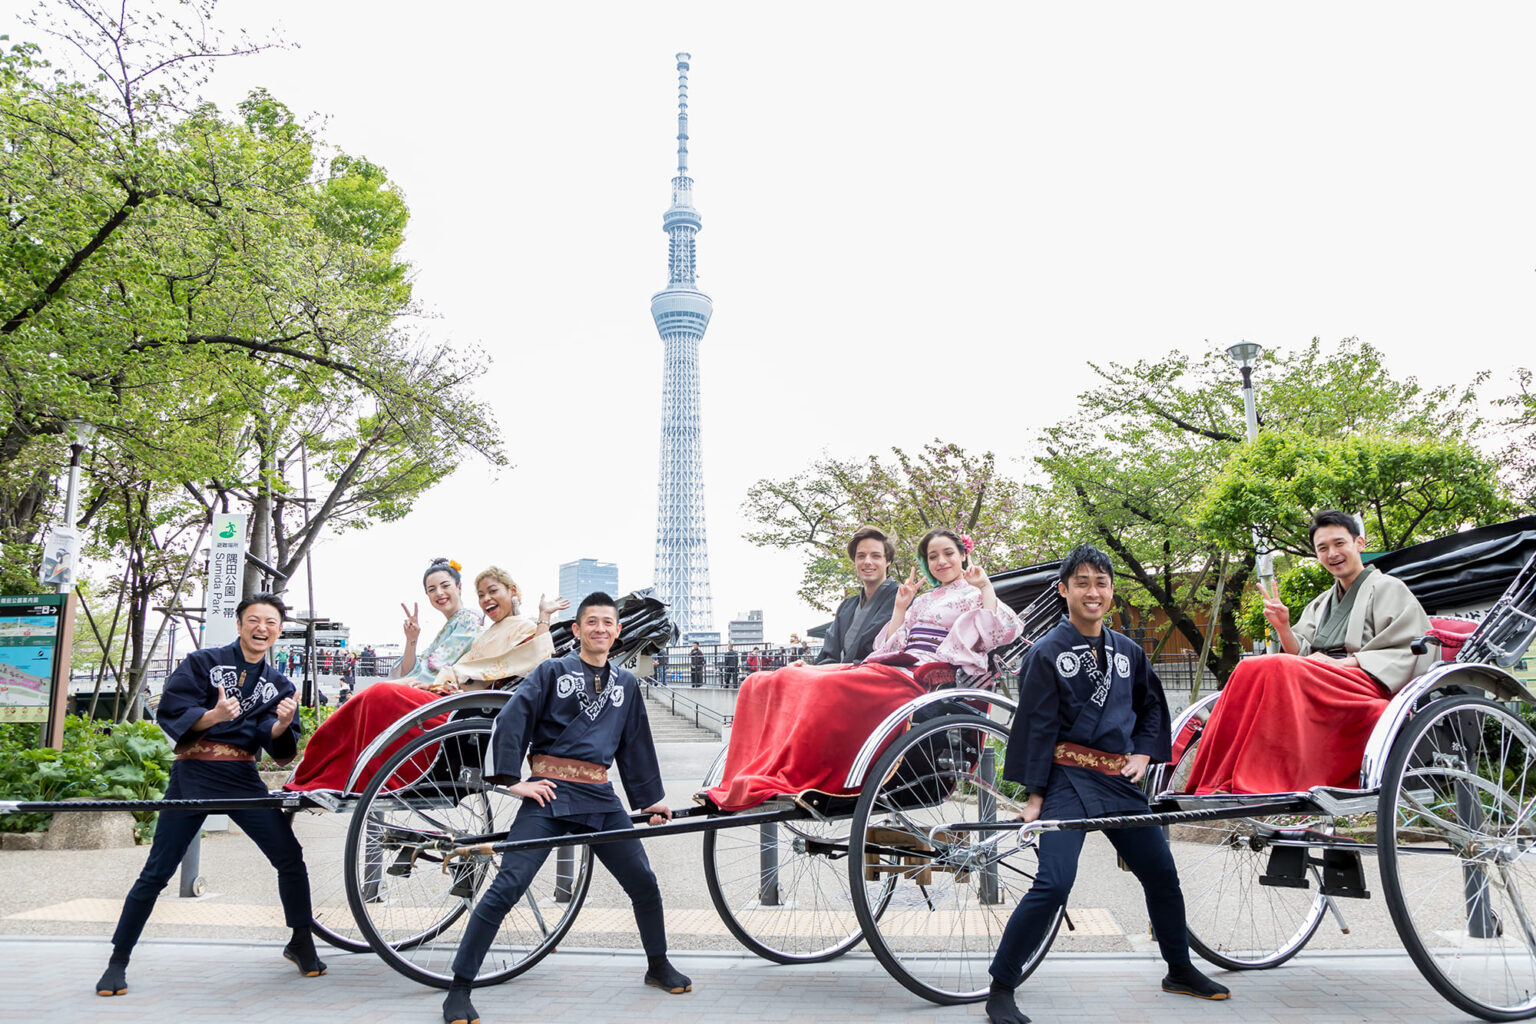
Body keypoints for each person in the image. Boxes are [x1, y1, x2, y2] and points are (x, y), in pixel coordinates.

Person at [986, 545, 1229, 1024]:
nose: (1092, 591)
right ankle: (1001, 986)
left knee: (1160, 873)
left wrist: (1142, 752)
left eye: (1101, 582)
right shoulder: (1046, 652)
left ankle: (1178, 969)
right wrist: (1035, 795)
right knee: (1054, 884)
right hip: (1065, 779)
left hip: (1117, 779)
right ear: (1064, 590)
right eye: (1082, 582)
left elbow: (1152, 708)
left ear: (1111, 592)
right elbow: (1036, 725)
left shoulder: (1129, 652)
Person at [441, 592, 691, 1024]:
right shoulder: (552, 671)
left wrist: (650, 800)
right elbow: (513, 719)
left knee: (644, 882)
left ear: (616, 631)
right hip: (549, 794)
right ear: (576, 631)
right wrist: (513, 781)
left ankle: (657, 964)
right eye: (590, 622)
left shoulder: (626, 685)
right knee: (508, 885)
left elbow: (635, 746)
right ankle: (459, 987)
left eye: (607, 623)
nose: (600, 629)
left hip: (600, 797)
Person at [95, 593, 323, 997]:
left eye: (270, 622)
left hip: (242, 777)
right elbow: (174, 709)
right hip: (194, 773)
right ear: (239, 624)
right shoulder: (202, 663)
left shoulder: (279, 684)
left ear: (278, 632)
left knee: (289, 857)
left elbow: (277, 743)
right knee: (157, 871)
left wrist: (282, 724)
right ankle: (118, 959)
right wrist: (214, 716)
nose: (261, 628)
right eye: (254, 619)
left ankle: (301, 941)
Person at [704, 528, 1022, 812]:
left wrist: (985, 588)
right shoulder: (924, 600)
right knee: (771, 680)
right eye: (933, 556)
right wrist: (901, 607)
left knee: (828, 687)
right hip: (899, 662)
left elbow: (994, 632)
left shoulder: (974, 594)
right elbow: (891, 643)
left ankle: (815, 774)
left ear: (964, 555)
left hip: (926, 674)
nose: (941, 562)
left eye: (948, 554)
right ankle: (763, 771)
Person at [1184, 510, 1434, 795]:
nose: (1332, 554)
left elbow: (1407, 647)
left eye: (1340, 544)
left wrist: (1346, 663)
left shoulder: (1389, 588)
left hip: (1365, 683)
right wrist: (1283, 627)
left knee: (1274, 667)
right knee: (1250, 667)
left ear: (1359, 544)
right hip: (1322, 678)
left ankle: (1252, 781)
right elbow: (1302, 652)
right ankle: (1219, 780)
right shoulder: (1322, 602)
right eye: (1323, 548)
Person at [286, 564, 563, 792]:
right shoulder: (491, 629)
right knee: (374, 696)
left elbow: (537, 659)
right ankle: (328, 773)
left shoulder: (515, 625)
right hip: (450, 695)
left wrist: (543, 618)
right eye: (482, 595)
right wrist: (414, 646)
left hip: (466, 707)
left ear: (513, 591)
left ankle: (344, 777)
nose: (487, 600)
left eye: (493, 591)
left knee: (379, 694)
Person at [817, 527, 901, 664]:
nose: (867, 562)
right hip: (838, 676)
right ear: (855, 561)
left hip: (875, 679)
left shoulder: (902, 602)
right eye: (861, 556)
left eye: (876, 556)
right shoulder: (847, 606)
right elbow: (829, 653)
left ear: (888, 561)